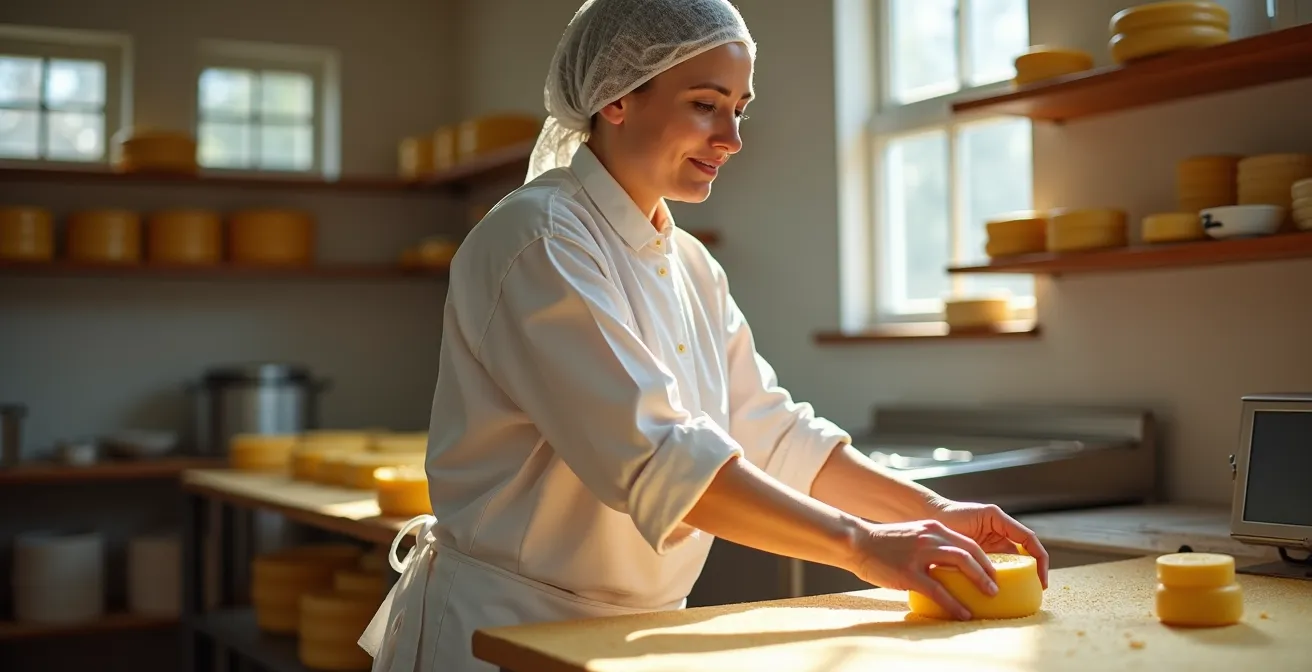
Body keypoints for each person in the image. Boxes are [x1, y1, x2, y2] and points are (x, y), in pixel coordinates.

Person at [358, 1, 1050, 670]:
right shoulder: (538, 240)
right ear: (616, 98)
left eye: (740, 109)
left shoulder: (688, 264)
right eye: (705, 103)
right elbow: (657, 456)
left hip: (637, 638)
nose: (732, 138)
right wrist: (864, 545)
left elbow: (770, 433)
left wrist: (933, 511)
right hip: (507, 633)